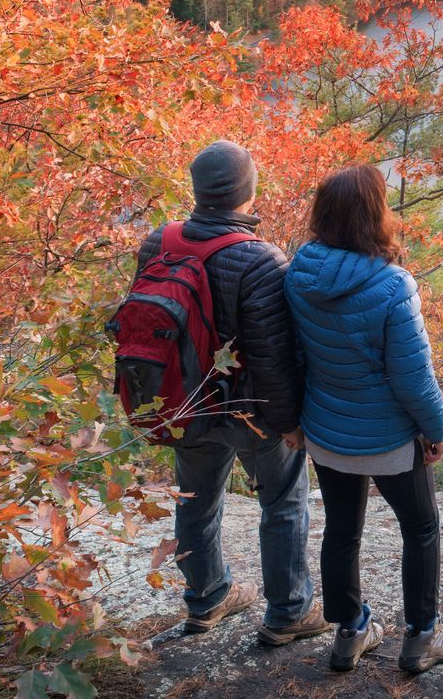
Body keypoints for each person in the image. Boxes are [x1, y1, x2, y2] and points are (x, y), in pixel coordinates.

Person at [138, 140, 324, 647]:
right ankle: (288, 613)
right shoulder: (260, 259)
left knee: (195, 501)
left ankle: (207, 600)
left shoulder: (160, 242)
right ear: (248, 193)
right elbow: (273, 357)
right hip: (249, 412)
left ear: (197, 189)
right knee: (283, 502)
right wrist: (289, 423)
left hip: (184, 402)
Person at [283, 163, 443, 675]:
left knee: (341, 529)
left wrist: (295, 419)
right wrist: (437, 429)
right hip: (387, 438)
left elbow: (295, 354)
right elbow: (413, 376)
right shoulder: (392, 285)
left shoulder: (299, 273)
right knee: (422, 526)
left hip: (326, 430)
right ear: (375, 216)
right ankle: (422, 639)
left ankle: (349, 633)